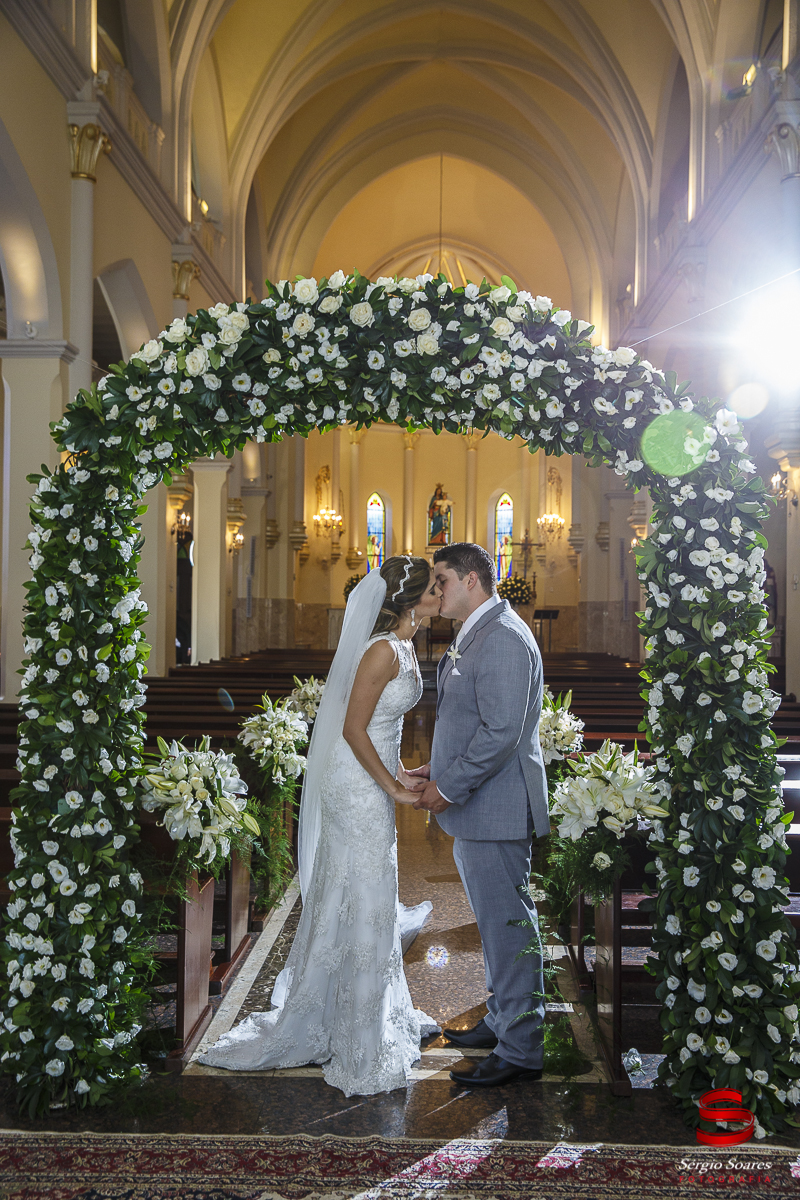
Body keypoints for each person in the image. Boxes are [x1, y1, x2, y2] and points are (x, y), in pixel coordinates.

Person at [199, 556, 442, 1095]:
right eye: (433, 589)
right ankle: (354, 1032)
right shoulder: (381, 650)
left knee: (367, 892)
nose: (440, 595)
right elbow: (354, 730)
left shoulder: (404, 643)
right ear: (409, 601)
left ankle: (363, 1009)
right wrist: (392, 786)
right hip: (353, 785)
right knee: (363, 889)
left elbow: (383, 728)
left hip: (368, 777)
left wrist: (402, 769)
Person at [407, 542, 549, 1088]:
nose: (435, 590)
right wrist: (435, 768)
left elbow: (500, 735)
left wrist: (450, 785)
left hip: (496, 807)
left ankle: (521, 1048)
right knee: (496, 925)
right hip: (480, 807)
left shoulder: (506, 639)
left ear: (470, 579)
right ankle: (502, 1018)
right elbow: (471, 720)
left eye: (441, 580)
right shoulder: (480, 631)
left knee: (509, 927)